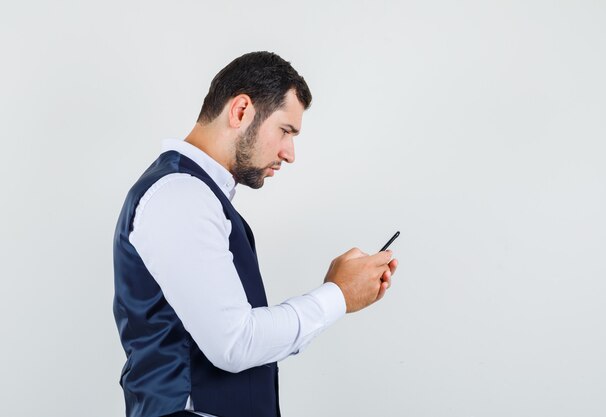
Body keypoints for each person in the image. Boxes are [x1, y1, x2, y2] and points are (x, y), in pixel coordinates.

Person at [113, 51, 399, 417]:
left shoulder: (196, 196)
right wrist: (338, 295)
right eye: (285, 130)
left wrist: (336, 292)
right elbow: (234, 343)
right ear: (241, 110)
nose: (289, 153)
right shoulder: (179, 195)